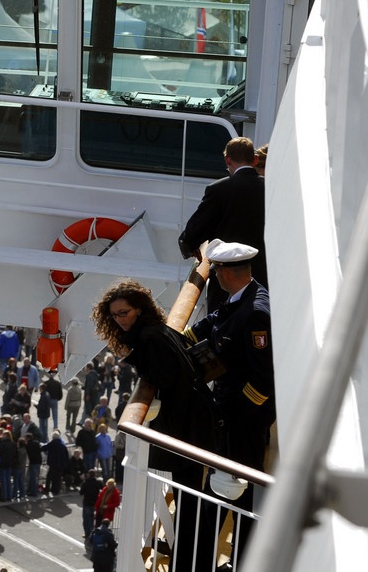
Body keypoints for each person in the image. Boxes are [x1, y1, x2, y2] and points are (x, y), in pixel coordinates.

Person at [92, 278, 219, 571]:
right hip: (192, 422)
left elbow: (163, 377)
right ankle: (193, 557)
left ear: (138, 309)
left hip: (186, 428)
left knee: (189, 499)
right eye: (114, 315)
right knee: (190, 497)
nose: (119, 319)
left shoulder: (148, 338)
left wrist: (132, 358)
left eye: (123, 312)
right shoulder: (154, 331)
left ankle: (190, 560)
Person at [184, 239, 275, 568]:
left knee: (241, 491)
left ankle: (242, 560)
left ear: (224, 274)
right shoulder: (242, 297)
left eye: (217, 270)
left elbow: (265, 380)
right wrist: (178, 339)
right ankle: (218, 558)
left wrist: (237, 415)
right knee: (227, 488)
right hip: (231, 413)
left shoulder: (256, 313)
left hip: (244, 420)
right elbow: (212, 325)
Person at [177, 136, 266, 312]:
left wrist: (189, 246)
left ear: (227, 159)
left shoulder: (218, 189)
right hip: (262, 274)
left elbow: (196, 229)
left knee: (221, 324)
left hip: (226, 275)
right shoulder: (272, 188)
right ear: (255, 159)